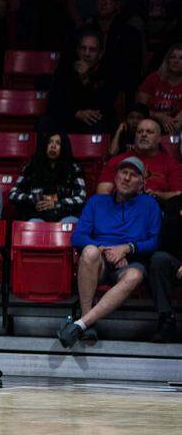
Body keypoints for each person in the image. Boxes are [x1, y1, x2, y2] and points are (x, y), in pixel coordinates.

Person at [60, 157, 161, 347]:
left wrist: (127, 249)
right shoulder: (96, 202)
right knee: (89, 251)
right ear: (115, 177)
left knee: (134, 275)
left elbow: (154, 241)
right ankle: (86, 318)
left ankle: (82, 324)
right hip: (100, 262)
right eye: (123, 173)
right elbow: (78, 237)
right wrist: (106, 250)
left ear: (142, 183)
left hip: (130, 263)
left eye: (133, 175)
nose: (127, 178)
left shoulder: (149, 204)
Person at [46, 29, 120, 133]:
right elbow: (54, 103)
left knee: (101, 123)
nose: (87, 53)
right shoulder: (65, 71)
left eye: (92, 50)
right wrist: (77, 114)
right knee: (44, 122)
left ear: (100, 54)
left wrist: (85, 79)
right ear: (77, 50)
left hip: (94, 123)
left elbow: (105, 106)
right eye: (83, 48)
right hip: (70, 119)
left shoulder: (108, 73)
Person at [8, 131, 88, 222]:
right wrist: (34, 199)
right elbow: (13, 194)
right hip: (38, 215)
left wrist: (56, 204)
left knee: (70, 222)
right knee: (34, 223)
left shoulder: (73, 168)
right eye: (50, 142)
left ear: (64, 147)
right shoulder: (31, 167)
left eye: (58, 143)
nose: (53, 146)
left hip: (64, 215)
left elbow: (81, 197)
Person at [96, 118, 181, 199]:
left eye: (149, 132)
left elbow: (178, 195)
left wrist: (157, 195)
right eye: (139, 132)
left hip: (158, 209)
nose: (143, 135)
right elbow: (102, 193)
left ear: (159, 138)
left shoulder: (171, 164)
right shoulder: (117, 160)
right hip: (120, 209)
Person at [148, 193, 182, 343]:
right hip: (177, 262)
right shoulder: (175, 203)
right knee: (159, 259)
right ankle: (167, 319)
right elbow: (167, 242)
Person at [136, 44, 182, 133]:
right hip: (151, 123)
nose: (176, 61)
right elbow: (139, 109)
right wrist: (159, 116)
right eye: (172, 57)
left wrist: (174, 123)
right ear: (167, 60)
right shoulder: (153, 79)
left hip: (177, 126)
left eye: (181, 58)